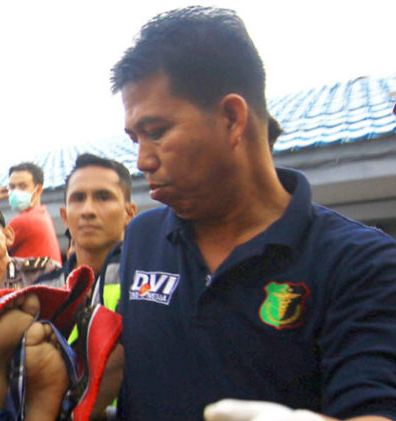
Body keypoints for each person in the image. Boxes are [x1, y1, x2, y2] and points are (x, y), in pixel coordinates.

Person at [110, 6, 396, 421]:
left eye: (156, 133)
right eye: (135, 138)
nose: (142, 161)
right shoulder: (142, 237)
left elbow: (374, 407)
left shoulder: (360, 262)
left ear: (231, 118)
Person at [59, 153, 136, 311]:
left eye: (103, 197)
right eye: (79, 198)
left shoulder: (147, 281)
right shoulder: (44, 289)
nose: (88, 211)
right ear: (64, 216)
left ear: (129, 213)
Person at [0, 162, 62, 263]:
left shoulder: (26, 221)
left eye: (22, 186)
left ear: (38, 190)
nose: (16, 192)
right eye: (12, 187)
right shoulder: (42, 215)